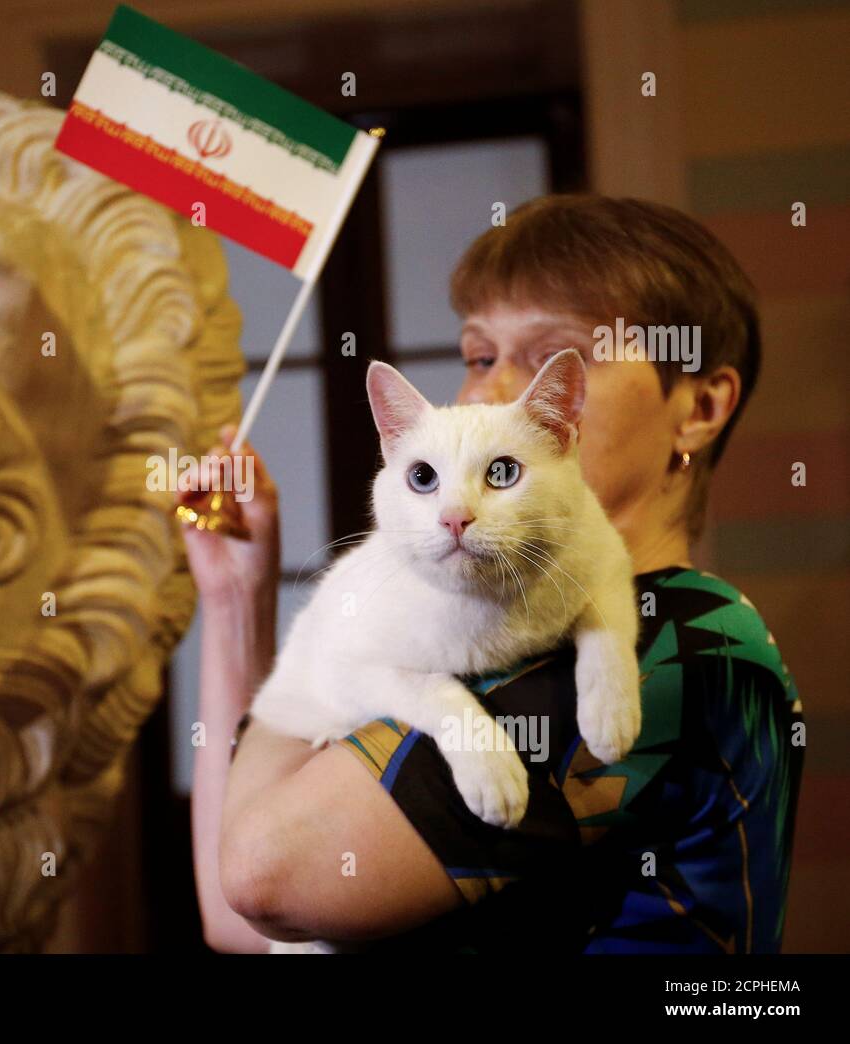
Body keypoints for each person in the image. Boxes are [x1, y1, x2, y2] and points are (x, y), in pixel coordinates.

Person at [181, 195, 804, 954]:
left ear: (700, 407)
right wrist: (236, 596)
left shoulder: (677, 638)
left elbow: (262, 875)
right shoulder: (495, 636)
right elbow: (237, 921)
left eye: (553, 356)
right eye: (479, 356)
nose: (492, 394)